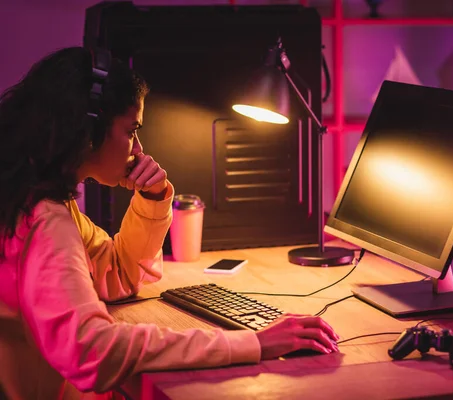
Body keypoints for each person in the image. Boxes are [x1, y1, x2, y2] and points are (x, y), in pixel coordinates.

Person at [0, 47, 339, 399]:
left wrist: (152, 198)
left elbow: (116, 274)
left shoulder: (32, 198)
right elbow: (92, 350)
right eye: (132, 131)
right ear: (90, 130)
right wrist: (253, 342)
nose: (138, 148)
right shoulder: (45, 220)